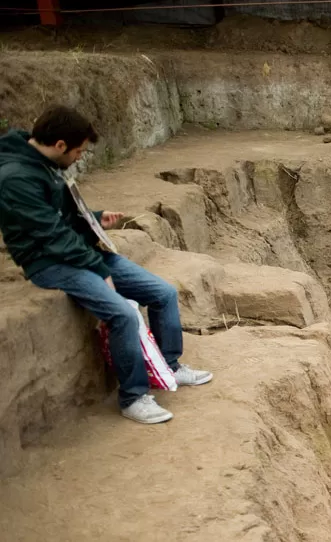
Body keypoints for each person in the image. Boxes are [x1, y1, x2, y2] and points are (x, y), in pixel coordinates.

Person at [0, 105, 212, 424]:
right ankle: (133, 397)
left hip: (80, 251)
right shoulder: (16, 179)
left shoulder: (44, 164)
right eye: (79, 151)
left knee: (163, 293)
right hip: (48, 262)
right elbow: (52, 235)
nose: (80, 157)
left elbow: (64, 219)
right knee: (123, 314)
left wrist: (95, 220)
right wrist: (100, 271)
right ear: (60, 145)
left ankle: (170, 366)